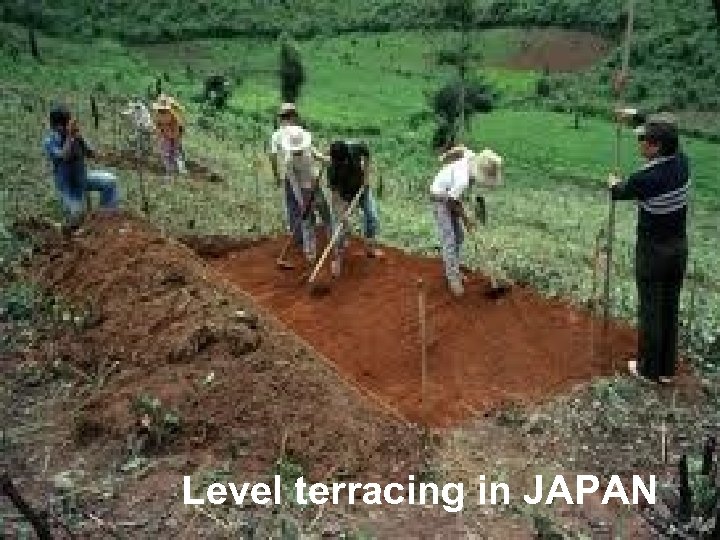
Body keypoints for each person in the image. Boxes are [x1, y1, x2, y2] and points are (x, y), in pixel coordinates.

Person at [608, 118, 689, 384]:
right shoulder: (682, 163)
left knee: (651, 308)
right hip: (678, 247)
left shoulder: (645, 178)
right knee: (669, 305)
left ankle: (648, 370)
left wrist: (612, 183)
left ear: (656, 147)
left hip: (653, 251)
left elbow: (618, 192)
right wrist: (632, 115)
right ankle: (666, 369)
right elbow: (664, 130)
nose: (639, 143)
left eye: (644, 140)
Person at [43, 104, 119, 229]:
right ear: (56, 127)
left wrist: (80, 139)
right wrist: (70, 138)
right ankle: (65, 228)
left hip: (82, 178)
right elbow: (64, 156)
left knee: (110, 182)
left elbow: (91, 154)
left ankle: (106, 218)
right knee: (77, 215)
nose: (68, 127)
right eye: (65, 125)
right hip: (68, 187)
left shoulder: (75, 137)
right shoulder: (50, 142)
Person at [325, 139, 383, 277]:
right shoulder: (332, 169)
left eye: (344, 161)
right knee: (339, 226)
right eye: (339, 163)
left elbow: (367, 154)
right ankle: (337, 258)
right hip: (344, 196)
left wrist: (366, 177)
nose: (342, 164)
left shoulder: (356, 147)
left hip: (362, 190)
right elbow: (335, 195)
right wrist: (342, 214)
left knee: (372, 216)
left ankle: (370, 247)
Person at [430, 141, 477, 297]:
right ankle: (453, 278)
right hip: (439, 196)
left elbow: (461, 148)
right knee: (449, 238)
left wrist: (445, 156)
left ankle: (454, 269)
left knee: (460, 237)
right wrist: (465, 219)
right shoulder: (463, 180)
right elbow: (451, 203)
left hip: (450, 194)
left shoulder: (472, 157)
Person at [281, 125, 332, 263]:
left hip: (316, 187)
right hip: (303, 191)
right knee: (307, 221)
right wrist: (301, 202)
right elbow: (294, 184)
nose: (298, 151)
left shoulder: (308, 147)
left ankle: (333, 242)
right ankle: (310, 253)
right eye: (295, 150)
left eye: (299, 149)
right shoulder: (289, 161)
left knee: (326, 215)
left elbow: (318, 156)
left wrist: (325, 160)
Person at [269, 103, 304, 247]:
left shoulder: (276, 135)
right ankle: (305, 238)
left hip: (290, 176)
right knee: (305, 206)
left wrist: (276, 175)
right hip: (303, 175)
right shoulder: (300, 132)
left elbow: (272, 156)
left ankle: (298, 239)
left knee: (293, 208)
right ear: (293, 117)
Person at [152, 95, 185, 179]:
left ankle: (180, 169)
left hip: (175, 134)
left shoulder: (174, 116)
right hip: (165, 134)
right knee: (166, 153)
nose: (162, 111)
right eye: (161, 109)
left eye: (164, 109)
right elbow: (157, 126)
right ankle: (169, 171)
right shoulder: (157, 115)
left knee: (176, 152)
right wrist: (159, 135)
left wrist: (174, 137)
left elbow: (178, 129)